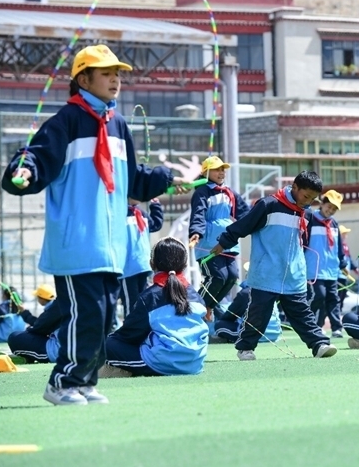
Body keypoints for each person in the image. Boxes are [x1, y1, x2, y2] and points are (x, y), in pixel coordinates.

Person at [0, 44, 189, 405]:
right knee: (83, 315)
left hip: (110, 245)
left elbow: (133, 180)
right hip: (76, 243)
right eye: (106, 73)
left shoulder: (118, 124)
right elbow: (36, 161)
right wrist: (24, 172)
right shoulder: (65, 121)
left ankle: (85, 381)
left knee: (103, 319)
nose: (115, 80)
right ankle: (62, 383)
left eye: (117, 73)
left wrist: (164, 179)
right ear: (83, 79)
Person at [210, 171, 338, 360]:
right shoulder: (268, 205)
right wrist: (224, 242)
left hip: (293, 275)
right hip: (267, 273)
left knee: (302, 313)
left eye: (313, 199)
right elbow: (244, 225)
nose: (308, 201)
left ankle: (319, 344)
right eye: (306, 196)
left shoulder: (307, 213)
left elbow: (302, 242)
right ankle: (245, 348)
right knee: (258, 314)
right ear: (295, 187)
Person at [101, 237, 208, 378]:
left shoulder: (150, 297)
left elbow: (129, 334)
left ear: (152, 264)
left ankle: (122, 370)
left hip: (162, 362)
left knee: (105, 344)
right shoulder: (196, 296)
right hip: (194, 364)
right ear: (185, 265)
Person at [189, 156, 250, 320]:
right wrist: (196, 232)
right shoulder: (202, 192)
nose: (221, 172)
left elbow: (245, 213)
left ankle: (208, 307)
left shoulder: (229, 193)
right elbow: (198, 214)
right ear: (206, 173)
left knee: (232, 276)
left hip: (228, 242)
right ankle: (195, 308)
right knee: (217, 277)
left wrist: (257, 223)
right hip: (208, 244)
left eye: (223, 169)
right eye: (217, 169)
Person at [306, 190, 349, 338]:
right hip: (314, 269)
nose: (330, 211)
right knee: (319, 296)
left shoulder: (334, 223)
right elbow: (303, 242)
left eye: (334, 209)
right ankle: (313, 324)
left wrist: (342, 264)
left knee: (333, 299)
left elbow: (339, 246)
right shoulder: (311, 219)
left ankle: (336, 328)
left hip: (331, 269)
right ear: (322, 203)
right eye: (329, 206)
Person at [118, 198, 164, 325]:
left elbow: (155, 224)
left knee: (144, 302)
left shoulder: (141, 213)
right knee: (131, 304)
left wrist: (155, 205)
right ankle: (129, 330)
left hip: (143, 266)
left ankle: (142, 329)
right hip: (127, 269)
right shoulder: (119, 212)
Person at [7, 284, 62, 364]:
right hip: (73, 350)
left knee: (14, 337)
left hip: (58, 352)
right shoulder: (75, 302)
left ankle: (27, 356)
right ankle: (28, 356)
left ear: (41, 299)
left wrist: (28, 328)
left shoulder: (58, 306)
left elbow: (39, 327)